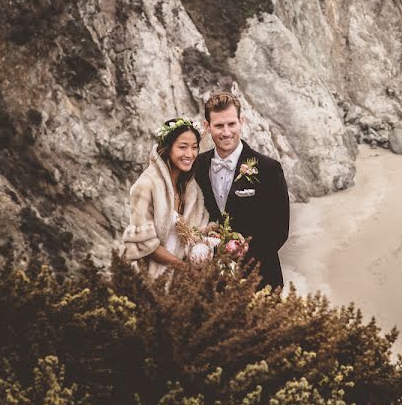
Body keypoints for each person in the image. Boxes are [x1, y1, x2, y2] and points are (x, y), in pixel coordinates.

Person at [194, 92, 290, 289]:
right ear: (207, 126)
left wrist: (240, 258)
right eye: (219, 125)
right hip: (211, 282)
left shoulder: (268, 168)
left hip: (260, 278)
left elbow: (279, 229)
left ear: (241, 122)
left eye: (231, 124)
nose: (226, 132)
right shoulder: (196, 167)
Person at [122, 117, 210, 279]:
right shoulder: (146, 185)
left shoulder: (192, 191)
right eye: (182, 147)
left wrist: (212, 232)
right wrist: (184, 268)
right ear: (168, 148)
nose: (189, 154)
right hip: (150, 279)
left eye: (194, 148)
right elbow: (144, 242)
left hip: (181, 285)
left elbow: (194, 232)